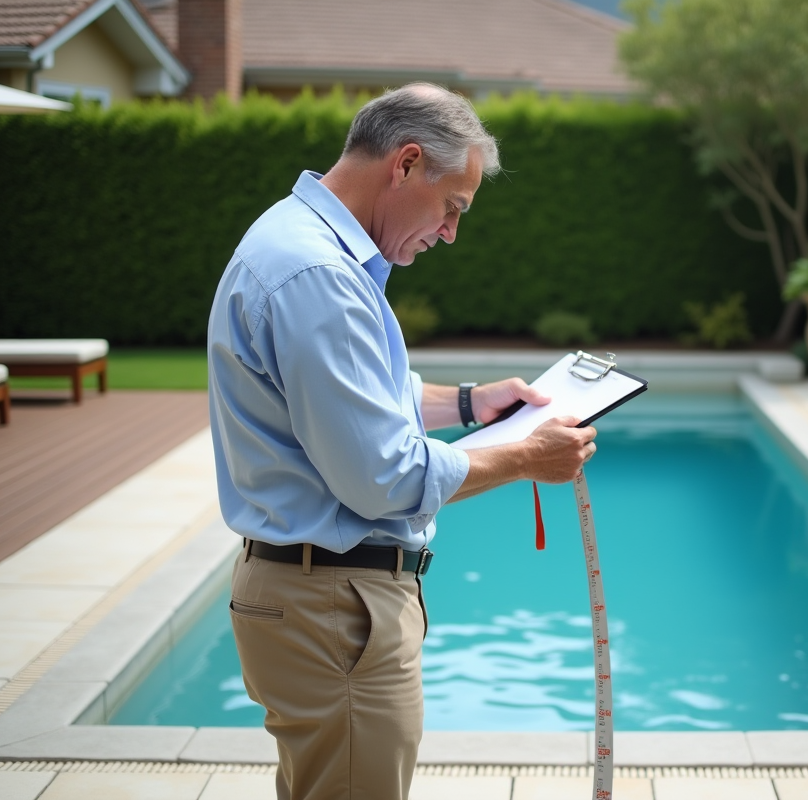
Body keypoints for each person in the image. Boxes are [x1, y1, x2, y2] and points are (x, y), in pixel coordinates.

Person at [207, 83, 597, 800]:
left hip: (316, 597)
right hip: (333, 605)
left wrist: (474, 403)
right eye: (454, 207)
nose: (451, 233)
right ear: (407, 164)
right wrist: (524, 459)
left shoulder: (300, 243)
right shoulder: (319, 276)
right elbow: (381, 477)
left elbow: (355, 405)